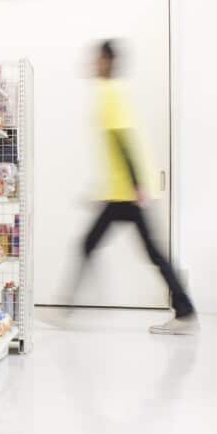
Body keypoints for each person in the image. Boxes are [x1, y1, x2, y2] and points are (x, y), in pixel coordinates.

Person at [69, 40, 197, 335]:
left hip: (127, 194)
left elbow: (123, 141)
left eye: (98, 59)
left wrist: (137, 184)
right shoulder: (110, 93)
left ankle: (185, 312)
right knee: (93, 244)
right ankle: (72, 307)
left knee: (147, 252)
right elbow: (118, 147)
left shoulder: (111, 93)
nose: (94, 64)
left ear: (107, 61)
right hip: (120, 192)